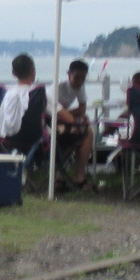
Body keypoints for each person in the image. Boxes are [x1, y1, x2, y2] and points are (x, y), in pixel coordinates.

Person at [0, 53, 48, 156]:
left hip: (9, 141)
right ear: (33, 71)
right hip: (33, 139)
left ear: (13, 73)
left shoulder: (7, 93)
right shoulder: (37, 93)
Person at [54, 59, 94, 188]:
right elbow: (52, 111)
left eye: (83, 78)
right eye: (77, 77)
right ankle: (59, 176)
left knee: (88, 132)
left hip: (62, 120)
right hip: (50, 122)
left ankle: (79, 176)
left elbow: (82, 110)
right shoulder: (59, 87)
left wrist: (67, 115)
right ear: (69, 74)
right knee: (78, 131)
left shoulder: (80, 86)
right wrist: (70, 116)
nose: (80, 81)